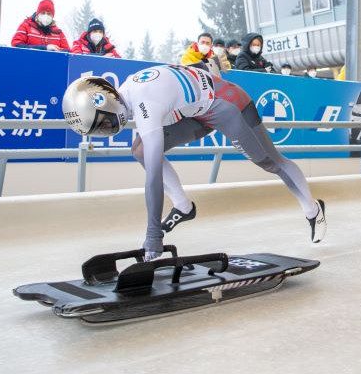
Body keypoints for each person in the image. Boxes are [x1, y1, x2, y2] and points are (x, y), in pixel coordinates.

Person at [62, 65, 327, 260]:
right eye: (98, 129)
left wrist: (153, 238)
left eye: (103, 122)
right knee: (142, 150)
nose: (107, 129)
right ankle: (183, 206)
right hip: (196, 110)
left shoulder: (145, 105)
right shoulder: (129, 91)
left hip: (227, 104)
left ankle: (313, 209)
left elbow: (153, 178)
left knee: (269, 161)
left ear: (106, 100)